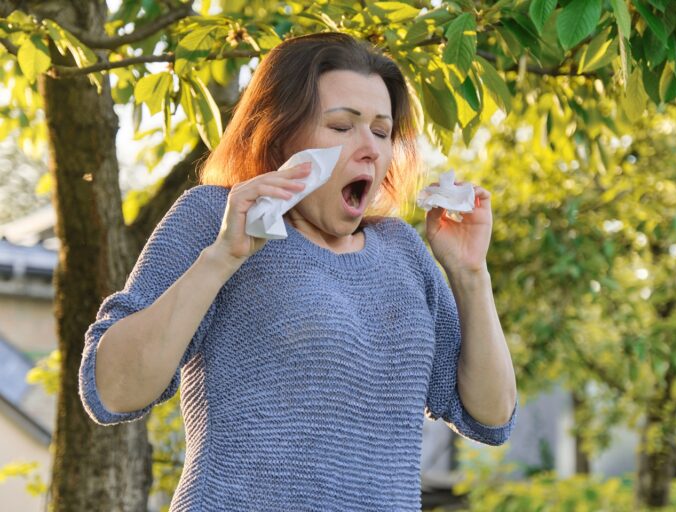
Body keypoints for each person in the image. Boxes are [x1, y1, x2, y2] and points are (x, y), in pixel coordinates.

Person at [79, 32, 518, 511]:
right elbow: (113, 391)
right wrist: (223, 257)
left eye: (381, 130)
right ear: (280, 132)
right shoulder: (216, 218)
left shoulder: (403, 251)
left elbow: (491, 416)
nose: (369, 148)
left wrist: (471, 274)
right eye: (341, 126)